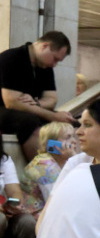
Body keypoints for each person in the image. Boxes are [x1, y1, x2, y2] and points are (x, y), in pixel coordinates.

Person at [0, 31, 74, 160]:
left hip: (25, 111)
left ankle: (64, 159)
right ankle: (40, 170)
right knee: (29, 121)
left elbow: (52, 100)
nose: (54, 64)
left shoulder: (45, 66)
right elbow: (11, 102)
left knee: (67, 124)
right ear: (44, 46)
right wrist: (53, 116)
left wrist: (36, 103)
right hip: (4, 110)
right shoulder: (11, 58)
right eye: (55, 59)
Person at [19, 121, 75, 218]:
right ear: (52, 143)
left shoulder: (65, 161)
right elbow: (57, 201)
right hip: (36, 216)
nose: (74, 141)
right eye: (68, 137)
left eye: (73, 136)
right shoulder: (43, 165)